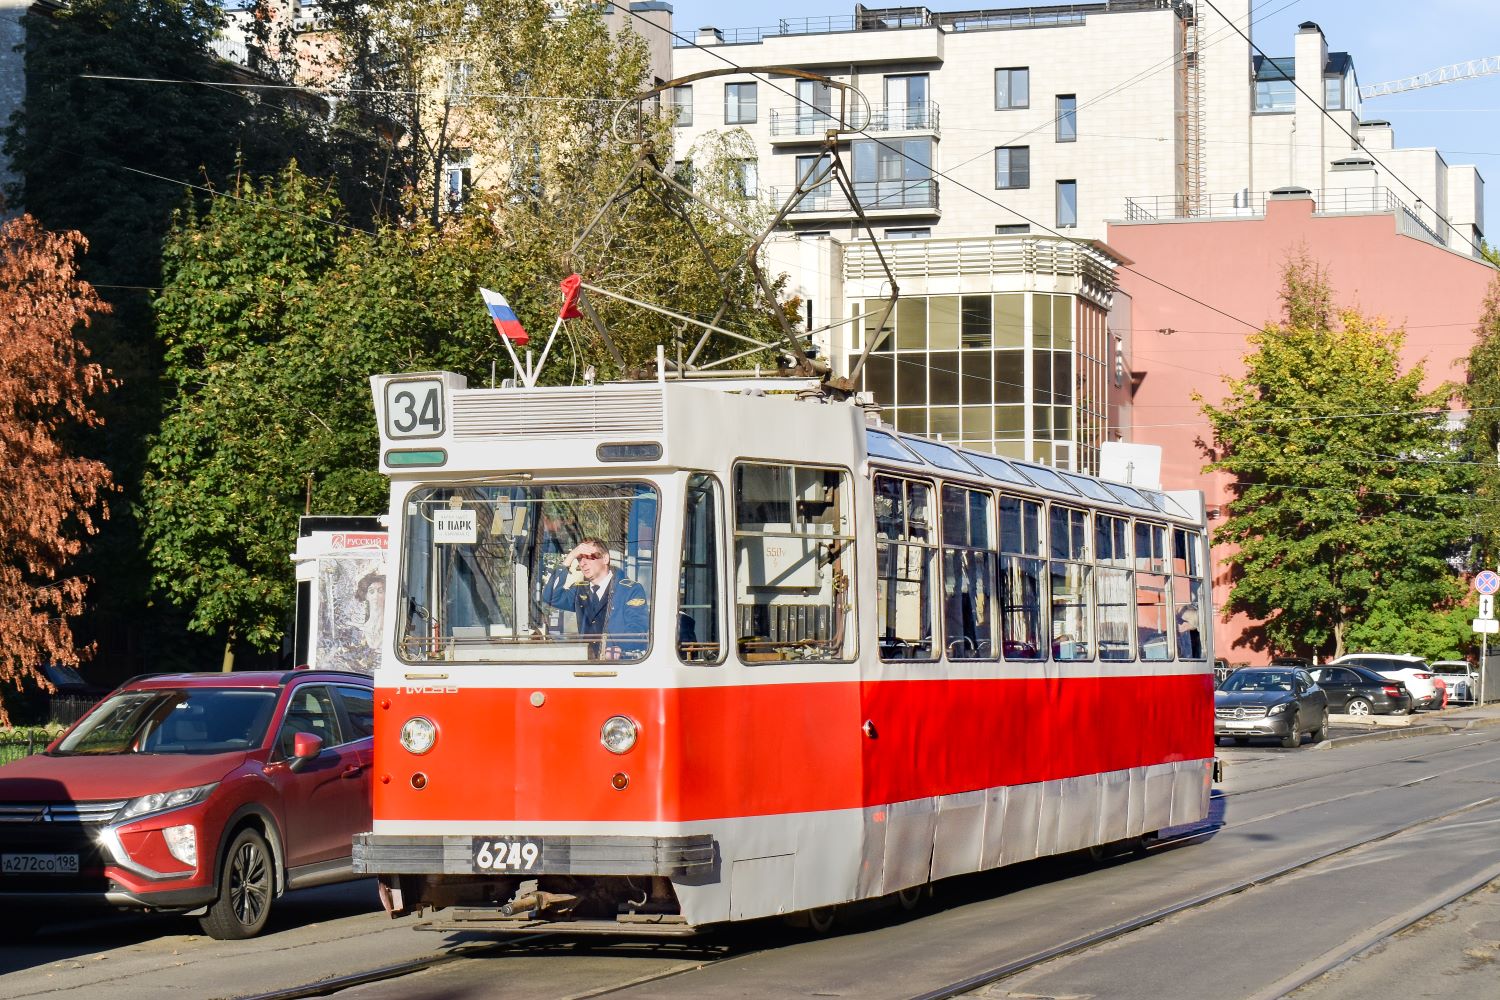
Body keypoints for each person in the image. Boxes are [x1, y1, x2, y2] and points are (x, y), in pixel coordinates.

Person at [541, 537, 649, 659]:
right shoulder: (579, 590)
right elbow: (550, 596)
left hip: (618, 666)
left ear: (605, 558)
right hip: (587, 666)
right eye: (579, 558)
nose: (582, 563)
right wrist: (569, 558)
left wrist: (620, 647)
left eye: (588, 557)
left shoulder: (629, 590)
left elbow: (639, 630)